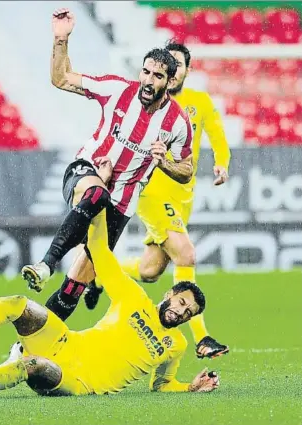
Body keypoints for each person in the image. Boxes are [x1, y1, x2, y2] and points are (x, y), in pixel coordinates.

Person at [0, 209, 220, 398]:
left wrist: (189, 388)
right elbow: (100, 252)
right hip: (66, 341)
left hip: (78, 381)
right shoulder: (133, 297)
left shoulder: (175, 344)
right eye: (181, 302)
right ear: (168, 295)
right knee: (18, 304)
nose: (180, 312)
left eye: (187, 312)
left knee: (31, 366)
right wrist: (98, 209)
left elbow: (161, 385)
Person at [21, 8, 194, 323]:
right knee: (97, 193)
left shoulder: (178, 123)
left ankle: (28, 349)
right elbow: (61, 78)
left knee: (73, 289)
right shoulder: (117, 90)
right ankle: (45, 265)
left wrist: (165, 162)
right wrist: (61, 39)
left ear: (169, 82)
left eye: (157, 76)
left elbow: (187, 170)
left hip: (121, 205)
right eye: (145, 72)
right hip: (85, 173)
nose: (148, 80)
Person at [84, 41, 231, 359]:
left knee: (150, 270)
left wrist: (222, 163)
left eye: (178, 67)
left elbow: (217, 134)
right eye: (169, 67)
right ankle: (202, 338)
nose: (173, 73)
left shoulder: (198, 103)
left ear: (186, 72)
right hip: (152, 190)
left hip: (181, 198)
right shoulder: (147, 106)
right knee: (187, 255)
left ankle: (96, 273)